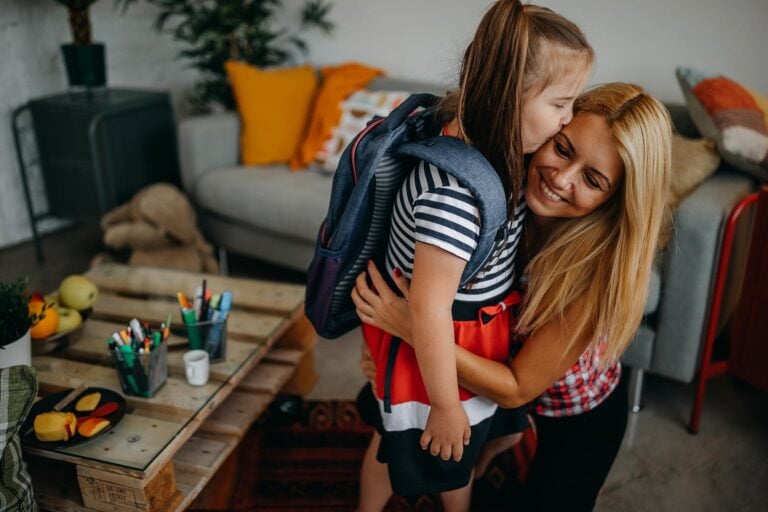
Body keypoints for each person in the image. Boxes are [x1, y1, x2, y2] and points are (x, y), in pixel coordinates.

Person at [353, 82, 673, 511]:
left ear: (616, 201)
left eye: (592, 179)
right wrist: (379, 342)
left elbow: (518, 388)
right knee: (454, 462)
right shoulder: (500, 191)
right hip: (491, 378)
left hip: (574, 412)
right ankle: (495, 446)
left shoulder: (597, 275)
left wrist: (409, 327)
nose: (561, 179)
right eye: (562, 149)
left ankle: (501, 447)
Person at [355, 1, 594, 510]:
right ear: (511, 98)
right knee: (410, 442)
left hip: (469, 333)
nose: (566, 120)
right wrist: (444, 405)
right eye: (560, 104)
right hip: (440, 339)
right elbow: (428, 307)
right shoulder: (454, 196)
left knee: (460, 447)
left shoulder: (493, 155)